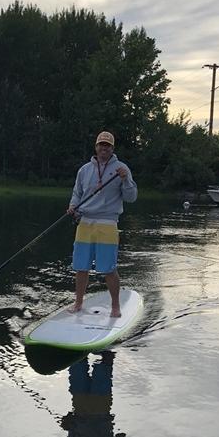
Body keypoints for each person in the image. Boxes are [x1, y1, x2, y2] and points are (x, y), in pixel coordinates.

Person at [67, 131, 137, 317]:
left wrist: (126, 179)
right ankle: (78, 303)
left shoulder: (122, 168)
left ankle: (116, 307)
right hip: (85, 221)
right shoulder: (84, 170)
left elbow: (131, 197)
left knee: (108, 268)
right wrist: (73, 206)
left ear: (112, 148)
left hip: (107, 222)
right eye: (101, 144)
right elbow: (77, 193)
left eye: (107, 145)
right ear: (96, 147)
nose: (104, 148)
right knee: (81, 266)